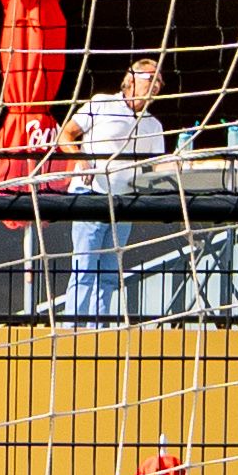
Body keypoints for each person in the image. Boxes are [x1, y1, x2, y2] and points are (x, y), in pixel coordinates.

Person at [66, 53, 169, 323]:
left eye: (160, 81)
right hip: (91, 196)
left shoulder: (154, 125)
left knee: (110, 275)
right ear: (131, 79)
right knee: (84, 270)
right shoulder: (101, 103)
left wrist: (184, 165)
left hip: (124, 203)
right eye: (151, 78)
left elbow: (158, 167)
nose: (156, 84)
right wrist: (81, 159)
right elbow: (66, 133)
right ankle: (71, 331)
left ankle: (99, 332)